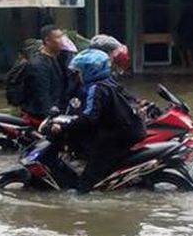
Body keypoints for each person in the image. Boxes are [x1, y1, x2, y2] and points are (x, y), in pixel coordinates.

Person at [51, 49, 145, 193]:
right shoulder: (108, 82)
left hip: (115, 138)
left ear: (90, 71)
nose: (78, 75)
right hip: (128, 131)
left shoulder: (96, 88)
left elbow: (89, 118)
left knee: (85, 184)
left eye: (80, 71)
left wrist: (64, 126)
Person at [21, 25, 65, 125]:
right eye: (58, 38)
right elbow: (42, 94)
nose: (62, 41)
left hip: (55, 110)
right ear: (47, 41)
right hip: (39, 115)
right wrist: (50, 118)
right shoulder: (39, 65)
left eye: (62, 37)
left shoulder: (55, 59)